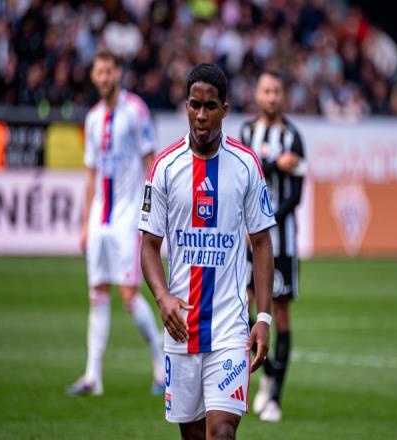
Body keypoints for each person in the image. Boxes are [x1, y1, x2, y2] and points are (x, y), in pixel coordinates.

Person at [139, 63, 275, 440]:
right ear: (186, 106)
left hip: (230, 326)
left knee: (223, 431)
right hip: (181, 327)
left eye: (210, 106)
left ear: (225, 110)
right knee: (194, 435)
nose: (201, 115)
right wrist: (162, 297)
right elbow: (148, 245)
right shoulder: (164, 167)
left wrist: (263, 316)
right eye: (195, 105)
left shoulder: (246, 165)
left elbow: (262, 242)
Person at [67, 49, 166, 396]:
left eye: (109, 71)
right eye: (99, 71)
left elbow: (152, 163)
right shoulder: (93, 118)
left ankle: (161, 366)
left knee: (128, 295)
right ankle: (92, 376)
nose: (104, 77)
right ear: (93, 76)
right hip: (100, 218)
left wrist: (153, 213)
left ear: (118, 73)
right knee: (97, 292)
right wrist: (85, 224)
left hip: (128, 218)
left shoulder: (135, 111)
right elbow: (91, 174)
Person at [240, 70, 306, 422]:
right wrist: (274, 164)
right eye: (266, 90)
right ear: (257, 94)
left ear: (283, 95)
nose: (271, 97)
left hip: (281, 243)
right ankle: (267, 372)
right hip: (247, 242)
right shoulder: (246, 134)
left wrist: (266, 222)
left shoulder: (293, 137)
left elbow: (295, 197)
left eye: (277, 91)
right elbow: (242, 177)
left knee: (280, 313)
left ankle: (275, 396)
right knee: (244, 306)